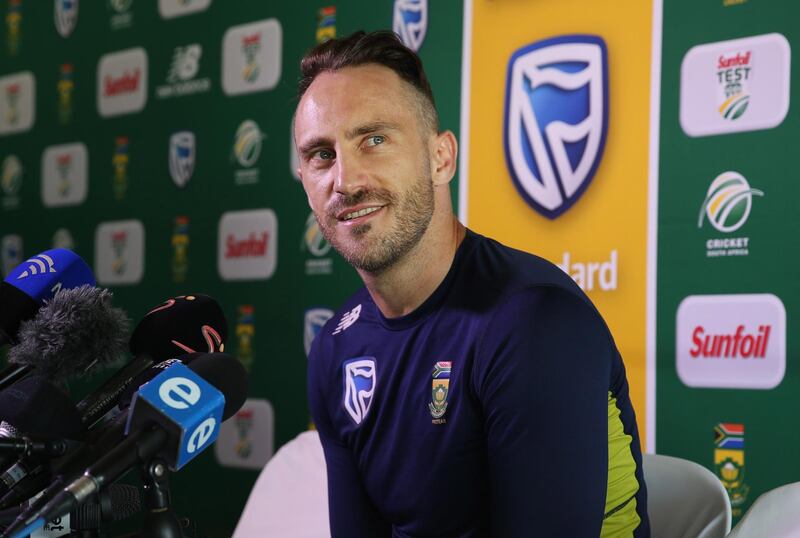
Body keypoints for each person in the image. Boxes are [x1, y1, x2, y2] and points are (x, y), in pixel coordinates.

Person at [294, 30, 649, 537]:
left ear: (441, 158)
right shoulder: (336, 349)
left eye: (374, 139)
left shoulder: (533, 322)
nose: (345, 180)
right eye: (321, 154)